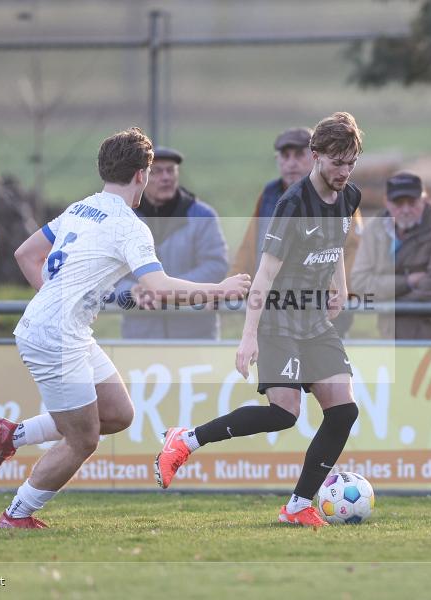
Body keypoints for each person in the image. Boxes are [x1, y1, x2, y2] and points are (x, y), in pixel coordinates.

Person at [0, 127, 250, 527]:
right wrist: (221, 289)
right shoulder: (129, 225)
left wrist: (57, 298)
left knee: (119, 413)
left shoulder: (82, 207)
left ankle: (13, 435)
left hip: (65, 330)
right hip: (55, 337)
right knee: (83, 439)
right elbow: (158, 287)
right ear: (142, 174)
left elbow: (27, 253)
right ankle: (16, 514)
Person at [153, 112, 364, 528]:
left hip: (315, 320)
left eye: (351, 162)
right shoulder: (291, 205)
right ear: (315, 156)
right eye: (337, 162)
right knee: (284, 413)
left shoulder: (349, 195)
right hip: (278, 318)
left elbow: (337, 241)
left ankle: (299, 505)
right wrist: (248, 337)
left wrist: (340, 286)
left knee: (343, 412)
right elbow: (265, 275)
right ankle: (187, 439)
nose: (344, 171)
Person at [231, 127, 362, 337]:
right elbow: (251, 248)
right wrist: (233, 289)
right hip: (276, 311)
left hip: (323, 309)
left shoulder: (341, 197)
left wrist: (337, 294)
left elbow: (349, 250)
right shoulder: (269, 195)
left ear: (315, 157)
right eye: (285, 155)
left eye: (299, 155)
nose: (291, 162)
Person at [112, 146, 228, 339]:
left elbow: (216, 265)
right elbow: (109, 272)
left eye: (171, 170)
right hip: (140, 339)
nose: (165, 177)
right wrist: (131, 291)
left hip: (195, 337)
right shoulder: (124, 219)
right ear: (141, 176)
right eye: (156, 171)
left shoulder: (203, 216)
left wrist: (166, 290)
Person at [350, 172, 431, 340]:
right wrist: (410, 281)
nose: (405, 209)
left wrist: (387, 300)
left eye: (412, 202)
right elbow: (360, 283)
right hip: (391, 337)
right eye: (398, 203)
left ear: (424, 199)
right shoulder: (373, 229)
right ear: (386, 202)